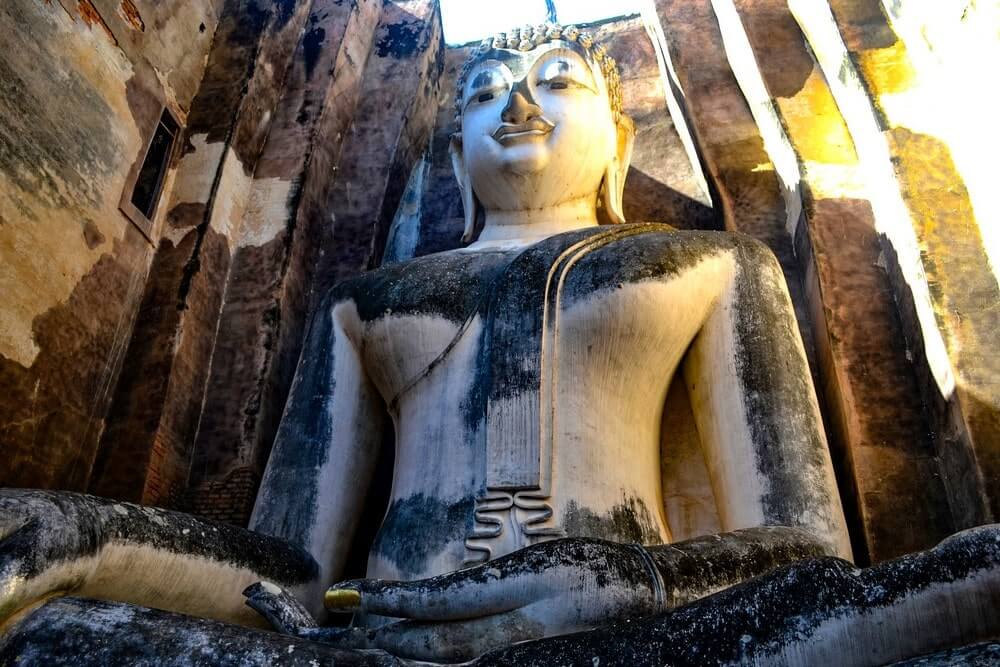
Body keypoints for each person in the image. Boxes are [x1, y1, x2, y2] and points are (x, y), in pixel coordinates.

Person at [0, 24, 855, 663]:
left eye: (556, 83)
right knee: (46, 634)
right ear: (455, 159)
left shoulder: (712, 265)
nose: (517, 105)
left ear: (618, 144)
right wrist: (81, 537)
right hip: (379, 647)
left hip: (629, 639)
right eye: (483, 93)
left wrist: (638, 582)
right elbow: (286, 576)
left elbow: (812, 555)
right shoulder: (363, 303)